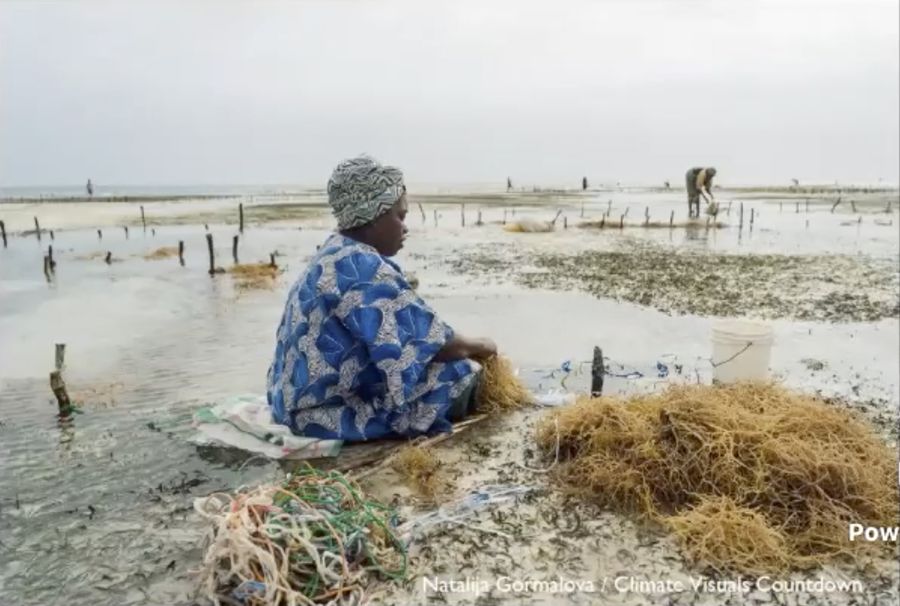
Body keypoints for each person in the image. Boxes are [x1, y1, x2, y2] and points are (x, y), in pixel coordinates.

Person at [267, 155, 497, 441]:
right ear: (372, 216)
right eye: (399, 216)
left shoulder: (332, 253)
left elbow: (406, 335)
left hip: (287, 404)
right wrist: (482, 345)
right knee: (461, 372)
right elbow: (436, 344)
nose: (405, 227)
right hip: (320, 417)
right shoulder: (362, 267)